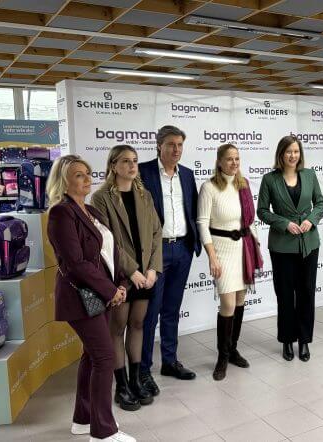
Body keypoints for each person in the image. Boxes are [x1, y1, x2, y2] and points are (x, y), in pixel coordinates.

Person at [46, 155, 135, 442]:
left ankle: (83, 419)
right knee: (104, 357)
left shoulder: (90, 210)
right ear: (64, 182)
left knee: (91, 355)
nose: (88, 178)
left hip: (100, 294)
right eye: (79, 175)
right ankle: (103, 432)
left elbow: (110, 252)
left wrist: (120, 283)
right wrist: (110, 291)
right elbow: (76, 264)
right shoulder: (61, 213)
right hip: (80, 297)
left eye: (88, 173)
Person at [91, 145, 163, 411]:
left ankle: (135, 381)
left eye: (134, 160)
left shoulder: (144, 194)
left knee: (138, 324)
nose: (132, 166)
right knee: (117, 328)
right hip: (120, 275)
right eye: (125, 161)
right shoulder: (101, 197)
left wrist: (153, 269)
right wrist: (132, 271)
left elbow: (156, 232)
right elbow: (106, 241)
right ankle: (121, 386)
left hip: (145, 274)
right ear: (113, 165)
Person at [138, 126, 201, 395]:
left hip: (182, 249)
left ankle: (170, 361)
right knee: (150, 312)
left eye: (180, 145)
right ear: (159, 146)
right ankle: (142, 370)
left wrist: (194, 244)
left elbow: (193, 208)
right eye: (171, 144)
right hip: (156, 251)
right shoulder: (143, 172)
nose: (176, 149)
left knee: (172, 309)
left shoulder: (186, 174)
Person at [197, 143, 262, 381]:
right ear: (219, 162)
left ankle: (233, 350)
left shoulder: (242, 185)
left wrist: (256, 245)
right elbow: (202, 223)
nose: (234, 163)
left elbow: (250, 221)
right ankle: (222, 357)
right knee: (228, 303)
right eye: (229, 159)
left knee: (240, 299)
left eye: (237, 158)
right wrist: (212, 256)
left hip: (243, 249)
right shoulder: (209, 187)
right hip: (222, 250)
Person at [257, 136, 323, 362]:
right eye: (288, 151)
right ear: (281, 154)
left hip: (309, 244)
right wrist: (284, 223)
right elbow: (262, 211)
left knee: (306, 293)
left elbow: (320, 203)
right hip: (282, 246)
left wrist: (311, 220)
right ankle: (287, 339)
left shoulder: (310, 175)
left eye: (296, 151)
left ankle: (304, 340)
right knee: (285, 295)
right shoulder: (270, 179)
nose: (293, 155)